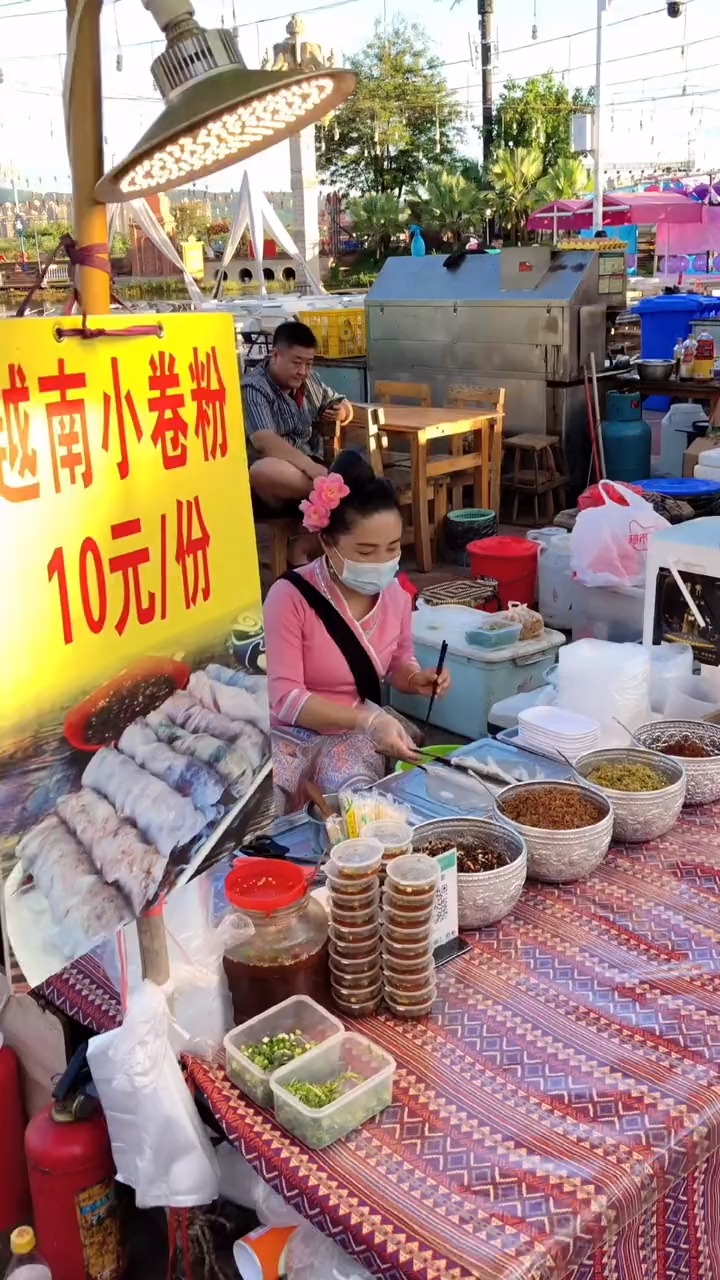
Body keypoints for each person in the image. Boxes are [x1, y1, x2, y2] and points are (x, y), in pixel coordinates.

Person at [263, 451, 451, 810]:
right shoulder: (289, 597)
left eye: (392, 548)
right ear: (327, 544)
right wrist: (366, 718)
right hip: (291, 733)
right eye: (365, 551)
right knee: (266, 809)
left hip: (354, 736)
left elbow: (399, 661)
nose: (382, 561)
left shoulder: (396, 595)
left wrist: (415, 679)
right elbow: (285, 699)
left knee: (362, 809)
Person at [243, 320, 353, 515]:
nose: (303, 371)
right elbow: (264, 440)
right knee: (262, 470)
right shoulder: (254, 387)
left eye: (308, 364)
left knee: (355, 460)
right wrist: (311, 468)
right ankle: (339, 500)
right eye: (296, 363)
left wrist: (343, 412)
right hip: (279, 480)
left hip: (314, 470)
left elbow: (341, 401)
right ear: (276, 355)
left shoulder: (309, 380)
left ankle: (330, 500)